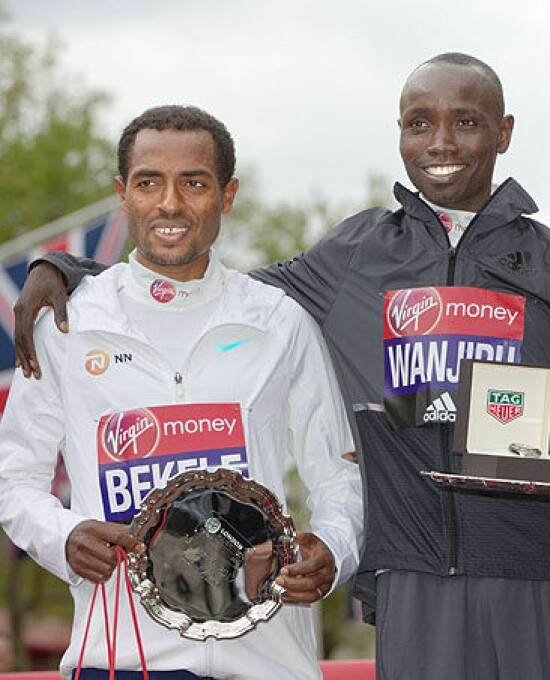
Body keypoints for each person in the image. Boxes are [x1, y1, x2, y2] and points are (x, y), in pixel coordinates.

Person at [14, 55, 550, 679]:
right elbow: (195, 281)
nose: (440, 142)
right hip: (413, 576)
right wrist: (73, 274)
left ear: (502, 132)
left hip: (541, 567)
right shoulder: (356, 254)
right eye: (419, 124)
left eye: (465, 122)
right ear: (399, 133)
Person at [0, 105, 363, 680]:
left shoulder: (279, 321)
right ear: (123, 193)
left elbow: (340, 478)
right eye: (149, 183)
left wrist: (335, 553)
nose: (169, 204)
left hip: (266, 660)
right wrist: (61, 537)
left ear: (227, 194)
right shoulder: (68, 323)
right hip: (117, 659)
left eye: (194, 183)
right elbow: (14, 476)